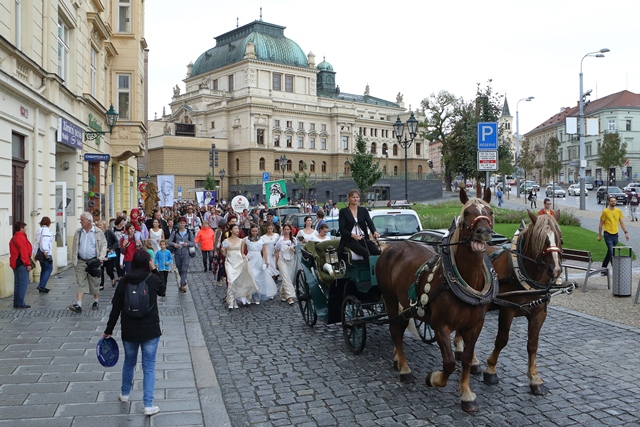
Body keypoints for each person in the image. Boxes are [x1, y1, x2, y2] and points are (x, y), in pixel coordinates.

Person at [103, 249, 166, 416]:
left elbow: (116, 307)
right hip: (150, 329)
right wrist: (154, 269)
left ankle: (124, 394)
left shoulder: (124, 281)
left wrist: (108, 330)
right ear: (148, 262)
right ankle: (148, 404)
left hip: (129, 329)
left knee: (129, 362)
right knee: (149, 366)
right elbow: (163, 289)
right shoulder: (151, 279)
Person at [68, 212, 107, 314]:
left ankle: (95, 301)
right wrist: (74, 259)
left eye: (82, 220)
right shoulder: (78, 232)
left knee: (95, 282)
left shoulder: (98, 232)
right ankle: (78, 305)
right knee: (81, 282)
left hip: (94, 261)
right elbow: (75, 246)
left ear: (89, 221)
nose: (80, 222)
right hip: (81, 261)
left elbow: (103, 245)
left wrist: (101, 257)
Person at [338, 189, 381, 263]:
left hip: (362, 238)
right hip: (350, 239)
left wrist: (374, 231)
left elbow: (370, 223)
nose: (355, 199)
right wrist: (353, 235)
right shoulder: (343, 211)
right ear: (348, 198)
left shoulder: (363, 210)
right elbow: (342, 229)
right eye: (353, 197)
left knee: (376, 251)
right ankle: (371, 271)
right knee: (365, 252)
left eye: (357, 197)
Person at [221, 224, 258, 309]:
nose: (237, 230)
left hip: (238, 262)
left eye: (238, 229)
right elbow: (224, 253)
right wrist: (222, 251)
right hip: (229, 262)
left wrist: (245, 258)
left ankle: (236, 299)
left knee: (237, 281)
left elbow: (242, 253)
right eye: (235, 229)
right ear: (231, 230)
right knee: (230, 280)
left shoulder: (241, 241)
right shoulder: (226, 241)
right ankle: (231, 300)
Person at [245, 224, 278, 302]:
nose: (254, 233)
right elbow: (242, 250)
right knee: (251, 276)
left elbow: (264, 251)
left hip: (258, 259)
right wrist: (244, 256)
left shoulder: (261, 240)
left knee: (258, 277)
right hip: (250, 258)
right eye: (253, 231)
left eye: (256, 231)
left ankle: (256, 296)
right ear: (250, 231)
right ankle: (249, 295)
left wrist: (266, 261)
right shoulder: (246, 239)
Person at [597, 196, 630, 275]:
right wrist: (599, 235)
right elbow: (601, 223)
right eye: (612, 201)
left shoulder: (618, 211)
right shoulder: (605, 212)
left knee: (610, 252)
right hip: (607, 234)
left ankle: (603, 268)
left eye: (614, 201)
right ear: (608, 202)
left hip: (615, 234)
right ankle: (616, 270)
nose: (613, 202)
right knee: (612, 252)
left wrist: (626, 232)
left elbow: (621, 222)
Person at [10, 221, 33, 308]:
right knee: (23, 283)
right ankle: (20, 302)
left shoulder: (14, 238)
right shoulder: (21, 238)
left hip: (15, 262)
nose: (26, 229)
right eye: (24, 228)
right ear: (21, 228)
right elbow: (24, 252)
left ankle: (16, 302)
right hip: (21, 263)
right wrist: (27, 264)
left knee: (17, 283)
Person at [168, 217, 195, 292]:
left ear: (185, 224)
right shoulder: (175, 232)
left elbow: (193, 242)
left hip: (186, 252)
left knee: (184, 269)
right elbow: (169, 241)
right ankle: (183, 280)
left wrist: (187, 244)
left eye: (183, 223)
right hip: (177, 253)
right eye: (181, 223)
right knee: (179, 268)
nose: (182, 224)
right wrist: (174, 244)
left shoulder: (189, 232)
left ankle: (182, 284)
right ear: (178, 224)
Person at [275, 223, 297, 305]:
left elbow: (296, 251)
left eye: (288, 229)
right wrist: (276, 263)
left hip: (290, 260)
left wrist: (293, 250)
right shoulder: (280, 240)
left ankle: (282, 292)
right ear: (283, 230)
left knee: (287, 277)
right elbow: (277, 251)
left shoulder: (294, 240)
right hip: (282, 260)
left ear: (290, 230)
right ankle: (290, 296)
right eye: (285, 229)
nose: (286, 231)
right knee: (285, 276)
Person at [33, 216, 53, 293]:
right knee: (49, 269)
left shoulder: (39, 230)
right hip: (46, 253)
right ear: (48, 223)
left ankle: (42, 285)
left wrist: (35, 254)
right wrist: (46, 251)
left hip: (39, 253)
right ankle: (41, 285)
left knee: (43, 269)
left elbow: (36, 243)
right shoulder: (46, 231)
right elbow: (45, 241)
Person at [96, 221, 117, 290]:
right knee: (101, 269)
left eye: (101, 225)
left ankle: (112, 277)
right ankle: (101, 284)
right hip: (100, 254)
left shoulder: (109, 232)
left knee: (109, 270)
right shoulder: (96, 234)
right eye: (98, 225)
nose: (99, 226)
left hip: (109, 253)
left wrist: (111, 248)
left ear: (104, 226)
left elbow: (116, 241)